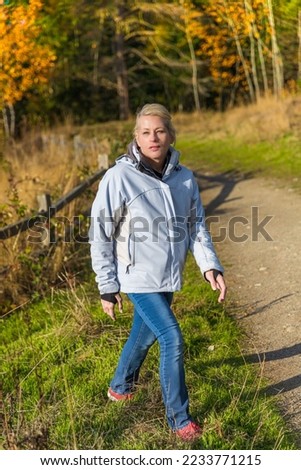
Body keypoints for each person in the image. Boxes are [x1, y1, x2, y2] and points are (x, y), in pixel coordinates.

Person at [89, 103, 227, 442]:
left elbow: (195, 226)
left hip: (168, 275)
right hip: (135, 275)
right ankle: (180, 419)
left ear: (170, 135)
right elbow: (100, 231)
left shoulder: (184, 178)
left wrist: (209, 265)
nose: (153, 138)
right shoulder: (119, 177)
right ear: (136, 136)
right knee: (171, 337)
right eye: (146, 132)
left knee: (145, 333)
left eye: (160, 131)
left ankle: (120, 387)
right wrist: (107, 284)